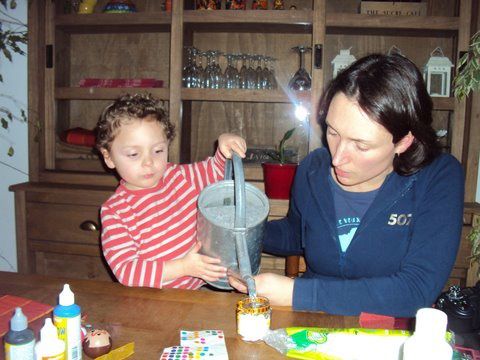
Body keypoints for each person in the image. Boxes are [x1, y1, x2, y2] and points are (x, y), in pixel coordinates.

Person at [229, 53, 465, 317]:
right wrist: (240, 231)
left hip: (386, 334)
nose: (337, 157)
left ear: (403, 142)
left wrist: (296, 293)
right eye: (332, 132)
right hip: (310, 323)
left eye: (361, 145)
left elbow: (415, 291)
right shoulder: (314, 169)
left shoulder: (438, 176)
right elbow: (297, 234)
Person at [96, 93, 247, 290]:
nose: (148, 162)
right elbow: (126, 271)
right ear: (108, 157)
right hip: (153, 301)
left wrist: (224, 144)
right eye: (134, 154)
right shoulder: (116, 211)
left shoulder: (180, 177)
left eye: (158, 150)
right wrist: (183, 267)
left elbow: (216, 170)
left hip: (199, 290)